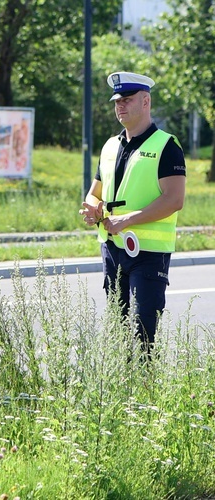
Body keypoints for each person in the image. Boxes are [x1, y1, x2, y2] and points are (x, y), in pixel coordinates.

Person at [80, 71, 186, 354]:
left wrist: (128, 219)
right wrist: (92, 207)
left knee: (143, 334)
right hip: (113, 249)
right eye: (117, 101)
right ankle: (124, 394)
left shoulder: (167, 146)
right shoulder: (110, 145)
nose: (120, 106)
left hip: (148, 254)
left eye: (127, 100)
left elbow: (174, 199)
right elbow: (95, 191)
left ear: (146, 101)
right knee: (117, 331)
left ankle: (144, 393)